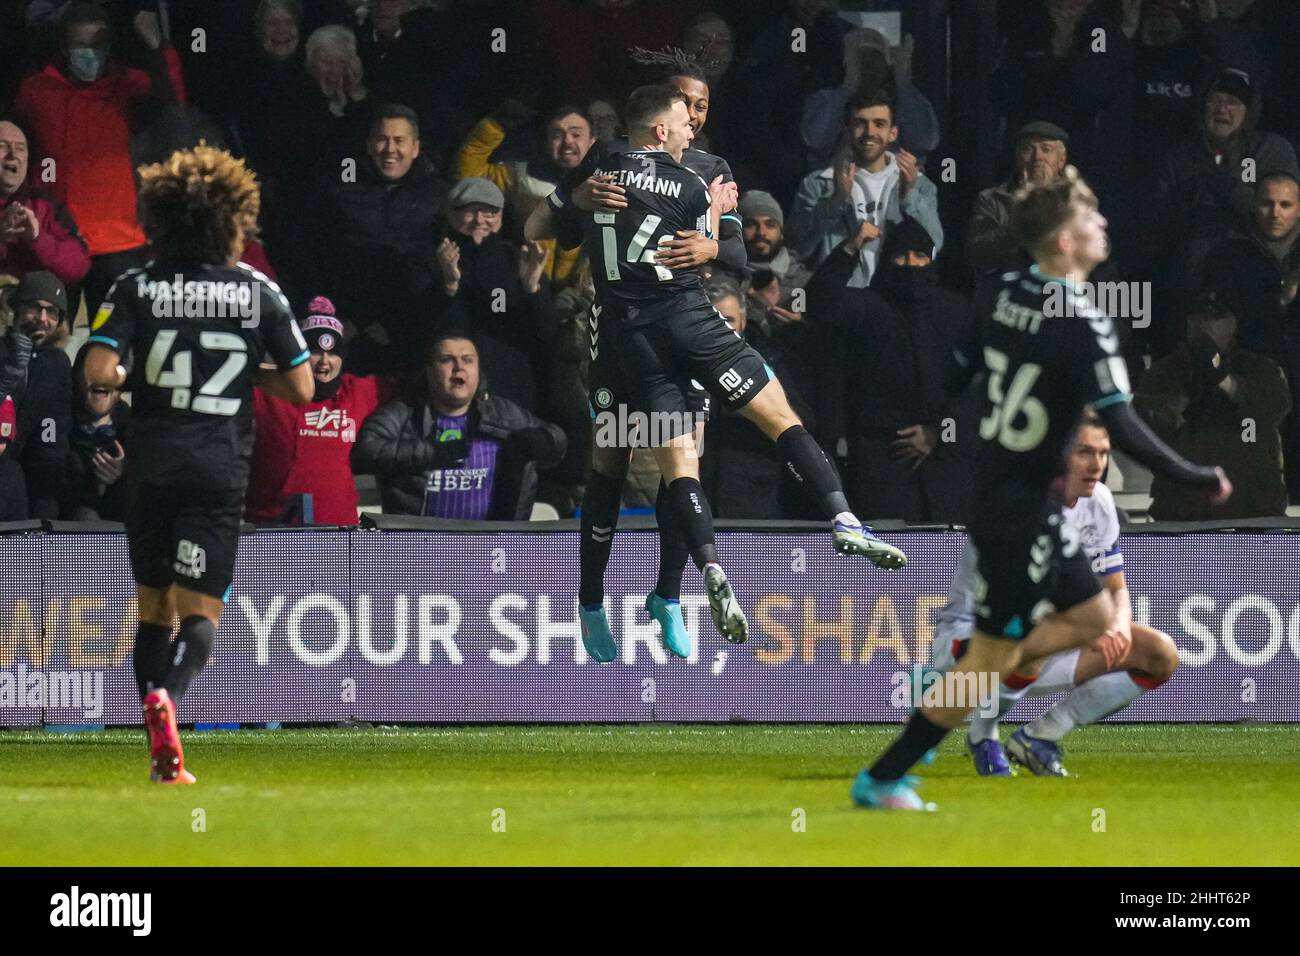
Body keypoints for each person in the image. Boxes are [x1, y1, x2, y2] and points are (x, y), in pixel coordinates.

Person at [853, 167, 1230, 811]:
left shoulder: (999, 293)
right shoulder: (1083, 320)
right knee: (989, 664)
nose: (1102, 225)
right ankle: (887, 774)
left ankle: (986, 670)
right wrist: (1196, 474)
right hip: (1022, 507)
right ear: (1063, 241)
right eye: (1090, 217)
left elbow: (955, 372)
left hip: (1006, 493)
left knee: (1092, 618)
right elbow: (1123, 425)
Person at [528, 84, 907, 663]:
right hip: (631, 336)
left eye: (701, 107)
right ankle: (594, 599)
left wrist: (709, 243)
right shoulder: (670, 175)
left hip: (667, 330)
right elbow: (729, 244)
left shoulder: (658, 162)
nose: (696, 118)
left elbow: (732, 255)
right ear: (664, 122)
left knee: (684, 461)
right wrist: (706, 216)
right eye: (687, 108)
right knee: (614, 464)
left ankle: (674, 591)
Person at [83, 145, 314, 784]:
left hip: (151, 463)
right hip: (217, 468)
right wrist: (240, 375)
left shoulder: (136, 286)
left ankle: (159, 745)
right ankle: (170, 698)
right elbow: (301, 389)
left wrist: (139, 375)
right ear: (231, 223)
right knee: (202, 613)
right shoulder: (257, 291)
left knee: (154, 605)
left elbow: (99, 377)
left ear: (162, 223)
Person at [931, 414, 1180, 777]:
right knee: (1034, 631)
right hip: (973, 642)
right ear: (1059, 454)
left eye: (1103, 453)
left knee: (1159, 654)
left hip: (1046, 641)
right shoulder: (1019, 504)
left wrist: (1117, 627)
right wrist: (1090, 621)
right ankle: (981, 733)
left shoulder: (1101, 503)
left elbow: (1116, 587)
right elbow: (1020, 604)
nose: (1096, 465)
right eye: (1084, 452)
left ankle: (1039, 737)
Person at [14, 1, 185, 313]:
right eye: (80, 44)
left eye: (97, 44)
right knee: (43, 335)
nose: (89, 52)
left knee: (113, 346)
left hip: (119, 242)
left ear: (108, 46)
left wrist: (158, 46)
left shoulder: (130, 86)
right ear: (64, 47)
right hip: (58, 239)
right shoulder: (36, 92)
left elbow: (173, 104)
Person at [805, 216, 976, 522]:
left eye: (920, 256)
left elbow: (976, 385)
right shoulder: (870, 307)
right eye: (901, 256)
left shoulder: (955, 311)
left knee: (950, 560)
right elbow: (819, 300)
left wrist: (939, 432)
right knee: (886, 561)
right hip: (881, 460)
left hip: (946, 465)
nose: (911, 265)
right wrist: (850, 247)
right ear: (886, 260)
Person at [354, 331, 565, 519]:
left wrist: (546, 440)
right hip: (420, 548)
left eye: (468, 360)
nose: (459, 367)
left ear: (478, 368)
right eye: (447, 360)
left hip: (491, 549)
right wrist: (430, 454)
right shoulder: (403, 411)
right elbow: (365, 451)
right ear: (429, 370)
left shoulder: (503, 413)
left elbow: (557, 440)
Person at [1136, 292, 1290, 519]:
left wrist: (1224, 380)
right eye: (1200, 317)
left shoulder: (1260, 368)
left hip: (1252, 510)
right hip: (1184, 511)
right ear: (1189, 322)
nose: (1206, 326)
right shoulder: (1165, 372)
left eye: (1217, 318)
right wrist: (1187, 388)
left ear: (1233, 324)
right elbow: (1144, 424)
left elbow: (1275, 406)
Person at [246, 296, 395, 525]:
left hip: (338, 532)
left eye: (333, 352)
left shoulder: (359, 392)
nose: (324, 361)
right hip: (268, 530)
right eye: (315, 351)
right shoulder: (270, 389)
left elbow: (416, 387)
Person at [787, 88, 943, 288]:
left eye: (879, 124)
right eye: (860, 123)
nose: (870, 132)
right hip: (841, 298)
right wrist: (836, 199)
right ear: (847, 128)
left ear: (893, 133)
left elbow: (934, 245)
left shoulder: (918, 183)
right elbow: (797, 247)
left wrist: (909, 195)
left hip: (895, 296)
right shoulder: (817, 183)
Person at [430, 176, 558, 412]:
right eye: (470, 211)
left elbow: (546, 335)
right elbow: (427, 329)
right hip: (450, 393)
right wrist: (449, 286)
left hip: (511, 391)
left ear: (500, 218)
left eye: (489, 212)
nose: (480, 220)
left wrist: (533, 289)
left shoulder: (518, 259)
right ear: (451, 214)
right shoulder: (431, 260)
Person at [967, 121, 1070, 279]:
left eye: (1046, 149)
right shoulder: (992, 199)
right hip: (1007, 293)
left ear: (1061, 160)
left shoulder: (1076, 201)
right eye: (1028, 149)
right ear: (1017, 157)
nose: (1038, 157)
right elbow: (979, 255)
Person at [6, 270, 72, 519]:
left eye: (52, 312)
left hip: (35, 470)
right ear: (17, 309)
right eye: (35, 307)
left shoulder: (57, 365)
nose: (42, 319)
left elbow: (53, 431)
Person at [0, 117, 90, 287]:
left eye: (20, 148)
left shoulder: (45, 205)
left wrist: (38, 239)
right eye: (2, 146)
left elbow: (78, 266)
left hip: (31, 309)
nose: (12, 155)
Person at [62, 340, 130, 521]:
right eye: (95, 368)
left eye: (113, 370)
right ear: (76, 376)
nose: (103, 378)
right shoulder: (58, 423)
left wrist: (126, 473)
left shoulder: (136, 429)